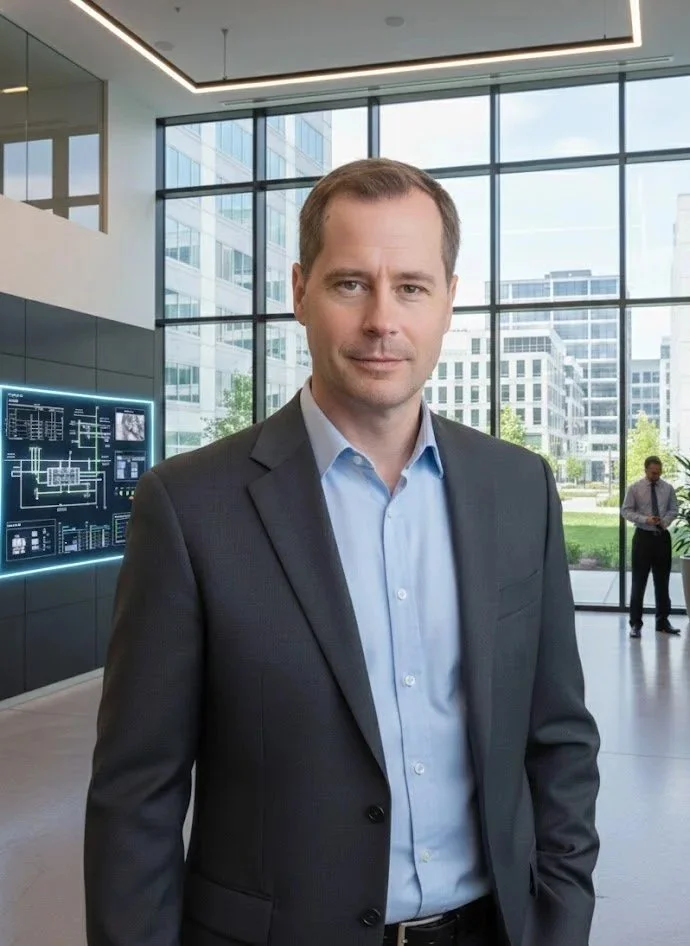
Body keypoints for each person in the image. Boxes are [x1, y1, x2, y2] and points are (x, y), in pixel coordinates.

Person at [84, 158, 600, 946]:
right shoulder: (189, 509)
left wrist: (559, 921)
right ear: (300, 292)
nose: (382, 320)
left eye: (413, 288)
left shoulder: (517, 488)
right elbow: (136, 799)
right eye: (351, 283)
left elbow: (558, 738)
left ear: (449, 301)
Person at [622, 455, 680, 638]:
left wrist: (666, 521)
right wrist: (645, 519)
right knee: (638, 583)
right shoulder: (635, 488)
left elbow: (674, 509)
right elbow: (626, 511)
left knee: (662, 582)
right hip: (643, 539)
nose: (657, 475)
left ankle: (662, 622)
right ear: (646, 469)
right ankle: (635, 625)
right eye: (653, 472)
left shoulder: (668, 488)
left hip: (662, 538)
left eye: (659, 472)